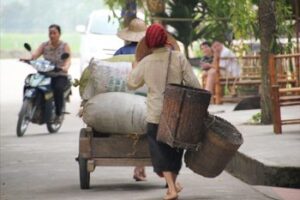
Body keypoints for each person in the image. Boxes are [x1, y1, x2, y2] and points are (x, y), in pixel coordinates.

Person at [128, 23, 200, 200]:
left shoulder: (145, 62)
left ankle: (172, 189)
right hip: (178, 115)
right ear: (165, 39)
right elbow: (195, 85)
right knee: (175, 152)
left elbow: (131, 83)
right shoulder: (179, 58)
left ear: (149, 42)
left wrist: (136, 66)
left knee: (160, 154)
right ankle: (172, 186)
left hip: (156, 115)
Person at [114, 18, 148, 182]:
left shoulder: (120, 52)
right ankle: (139, 167)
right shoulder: (149, 53)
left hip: (120, 96)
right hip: (142, 96)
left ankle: (139, 168)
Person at [27, 24, 71, 123]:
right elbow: (35, 55)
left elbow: (68, 59)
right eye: (50, 33)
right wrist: (29, 59)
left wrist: (65, 67)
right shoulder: (44, 45)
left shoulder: (64, 46)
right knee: (30, 83)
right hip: (44, 74)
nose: (52, 35)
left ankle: (58, 114)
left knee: (58, 89)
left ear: (59, 34)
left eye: (54, 33)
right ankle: (30, 105)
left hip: (59, 74)